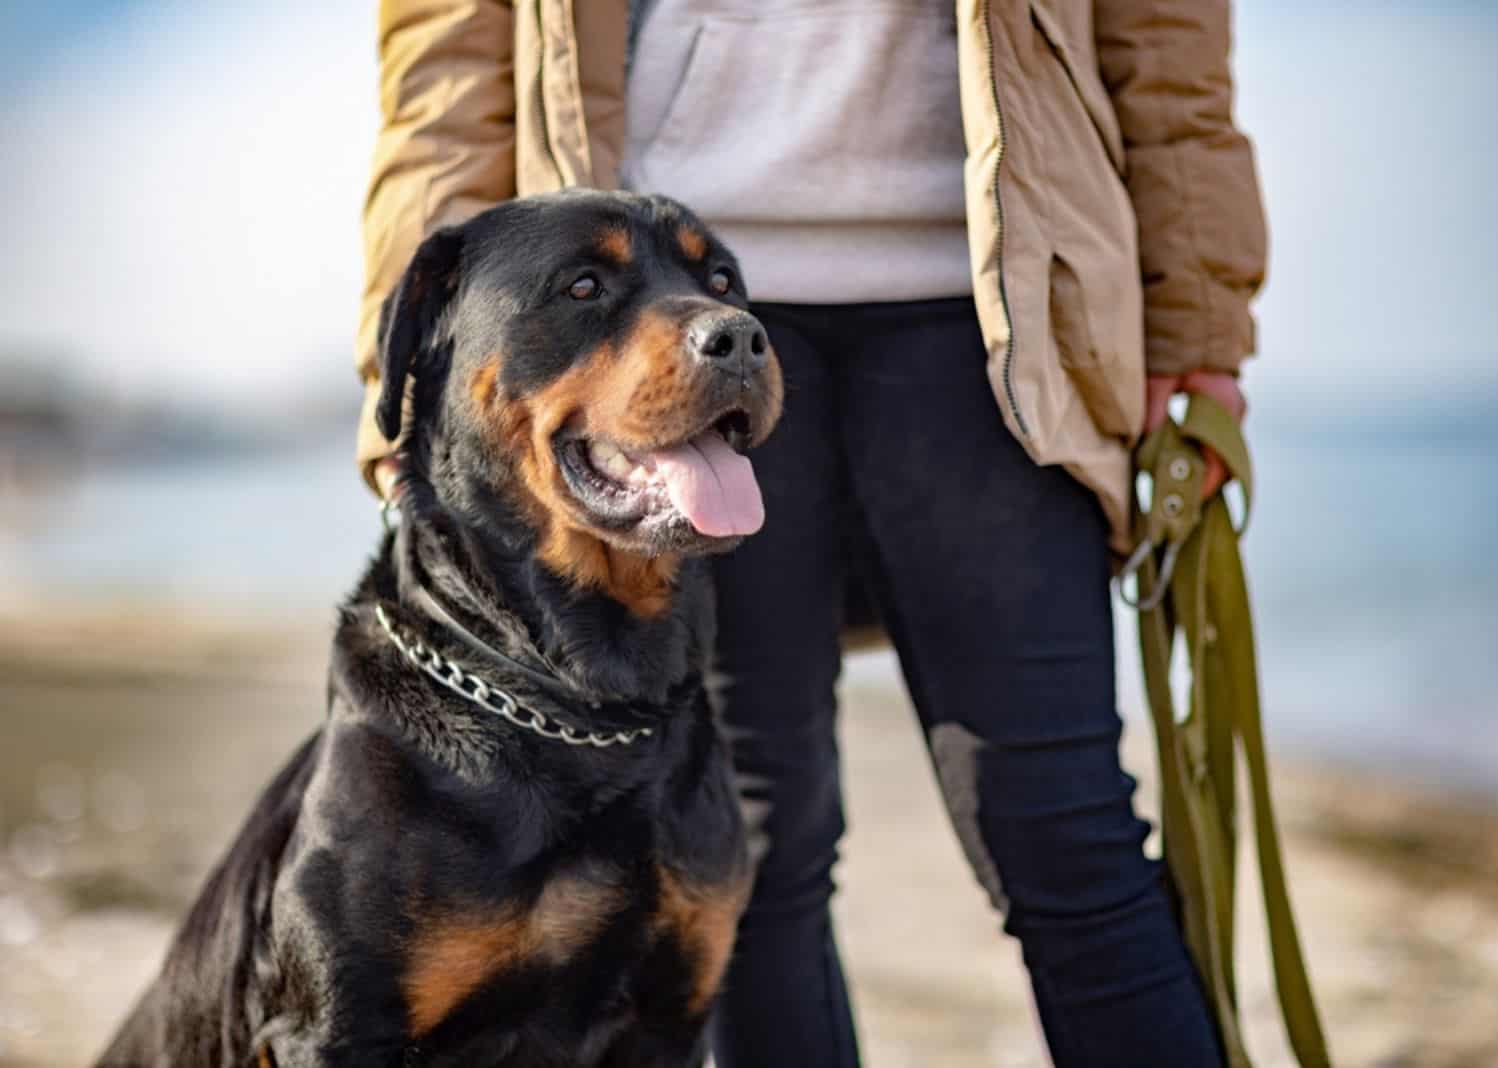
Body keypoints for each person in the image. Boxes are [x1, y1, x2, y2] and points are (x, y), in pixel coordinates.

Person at [355, 2, 1266, 1065]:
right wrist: (415, 365)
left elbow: (1162, 30)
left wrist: (1194, 311)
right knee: (753, 849)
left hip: (1000, 295)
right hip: (648, 311)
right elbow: (446, 66)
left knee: (1063, 830)